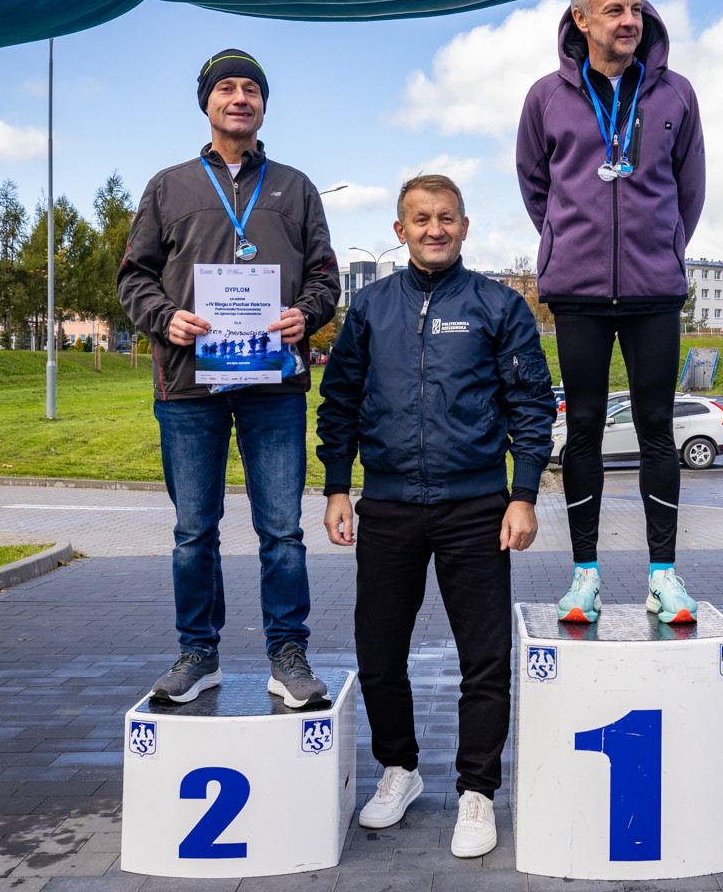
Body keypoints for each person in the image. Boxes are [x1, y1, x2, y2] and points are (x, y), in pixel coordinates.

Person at [316, 174, 555, 858]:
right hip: (388, 504)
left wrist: (523, 494)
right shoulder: (370, 308)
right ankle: (400, 769)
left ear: (465, 226)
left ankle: (477, 792)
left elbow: (532, 404)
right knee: (378, 653)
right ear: (400, 231)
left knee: (485, 657)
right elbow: (340, 399)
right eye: (421, 219)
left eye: (446, 217)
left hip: (475, 507)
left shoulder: (498, 305)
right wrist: (337, 487)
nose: (435, 229)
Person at [118, 48, 339, 709]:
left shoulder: (296, 187)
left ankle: (288, 654)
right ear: (207, 103)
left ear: (263, 106)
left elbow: (325, 276)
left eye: (251, 89)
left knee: (283, 531)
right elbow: (134, 276)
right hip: (190, 387)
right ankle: (198, 654)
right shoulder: (168, 187)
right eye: (227, 88)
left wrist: (307, 314)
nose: (239, 97)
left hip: (275, 387)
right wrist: (166, 319)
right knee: (194, 531)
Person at [515, 0, 706, 625]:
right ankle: (584, 576)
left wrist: (660, 246)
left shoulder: (676, 93)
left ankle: (663, 577)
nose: (628, 20)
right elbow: (537, 188)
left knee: (656, 430)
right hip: (580, 293)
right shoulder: (545, 96)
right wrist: (570, 243)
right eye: (614, 10)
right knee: (585, 430)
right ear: (581, 20)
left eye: (636, 9)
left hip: (654, 290)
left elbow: (690, 189)